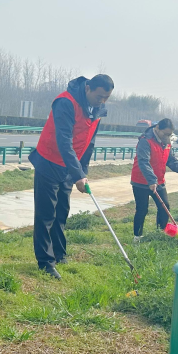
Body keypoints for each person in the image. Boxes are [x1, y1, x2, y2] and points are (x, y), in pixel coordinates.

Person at [29, 74, 114, 279]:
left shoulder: (97, 110)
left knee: (61, 213)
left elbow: (89, 143)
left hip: (69, 166)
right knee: (46, 215)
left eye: (106, 98)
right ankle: (46, 262)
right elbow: (64, 140)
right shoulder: (65, 102)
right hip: (49, 161)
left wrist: (81, 172)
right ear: (88, 88)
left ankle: (59, 254)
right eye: (99, 96)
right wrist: (77, 174)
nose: (102, 101)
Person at [131, 118, 178, 243]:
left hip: (159, 181)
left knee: (164, 207)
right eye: (165, 133)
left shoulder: (166, 142)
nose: (167, 136)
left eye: (170, 134)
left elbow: (170, 159)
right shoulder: (145, 141)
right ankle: (137, 236)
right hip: (141, 181)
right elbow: (143, 162)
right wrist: (151, 180)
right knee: (142, 209)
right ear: (157, 129)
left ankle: (160, 233)